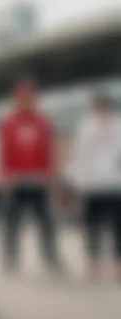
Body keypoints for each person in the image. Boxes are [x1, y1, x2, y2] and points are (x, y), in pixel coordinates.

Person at [0, 79, 62, 275]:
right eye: (22, 97)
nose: (26, 100)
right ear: (16, 99)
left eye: (29, 97)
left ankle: (50, 258)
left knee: (47, 222)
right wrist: (3, 176)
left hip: (39, 179)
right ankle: (11, 259)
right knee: (11, 222)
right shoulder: (8, 122)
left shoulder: (43, 121)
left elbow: (49, 150)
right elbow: (4, 151)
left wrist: (51, 177)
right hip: (16, 179)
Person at [68, 94, 121, 281]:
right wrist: (77, 181)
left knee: (118, 226)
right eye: (100, 108)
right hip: (92, 185)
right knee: (92, 225)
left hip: (115, 184)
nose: (103, 112)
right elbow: (79, 155)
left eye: (106, 108)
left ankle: (117, 264)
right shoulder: (86, 128)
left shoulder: (118, 126)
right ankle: (93, 262)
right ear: (95, 109)